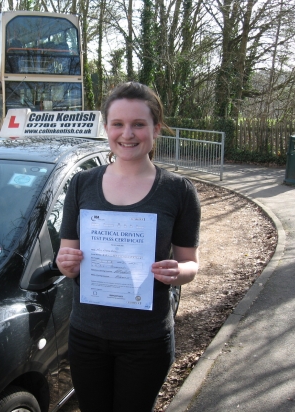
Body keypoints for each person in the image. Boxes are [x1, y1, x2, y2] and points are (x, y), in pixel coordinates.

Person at [56, 82, 201, 412]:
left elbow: (190, 262)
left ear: (156, 128)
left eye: (139, 124)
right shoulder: (82, 184)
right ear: (106, 127)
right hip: (86, 335)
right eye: (118, 124)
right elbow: (66, 254)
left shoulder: (178, 191)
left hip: (146, 340)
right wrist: (65, 263)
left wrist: (179, 272)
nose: (128, 134)